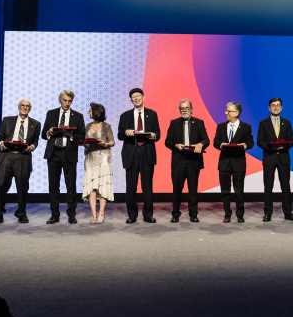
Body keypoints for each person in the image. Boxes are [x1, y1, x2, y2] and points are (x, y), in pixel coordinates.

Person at [0, 99, 41, 225]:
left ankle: (21, 213)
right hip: (7, 155)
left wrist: (32, 147)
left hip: (23, 156)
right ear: (18, 107)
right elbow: (0, 137)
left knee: (22, 186)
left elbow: (35, 141)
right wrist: (2, 144)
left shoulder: (36, 123)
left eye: (27, 106)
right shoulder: (7, 120)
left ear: (30, 108)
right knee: (1, 184)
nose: (25, 108)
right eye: (23, 105)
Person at [42, 90, 86, 224]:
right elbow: (43, 134)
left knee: (70, 186)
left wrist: (71, 135)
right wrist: (49, 132)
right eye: (65, 100)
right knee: (53, 186)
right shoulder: (51, 113)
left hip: (69, 153)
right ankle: (54, 214)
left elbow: (82, 136)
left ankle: (71, 214)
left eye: (69, 101)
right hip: (53, 153)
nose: (67, 104)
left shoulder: (78, 116)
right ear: (60, 100)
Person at [117, 88, 160, 223]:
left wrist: (154, 135)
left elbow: (158, 133)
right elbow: (119, 135)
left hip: (147, 152)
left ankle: (148, 214)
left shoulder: (152, 114)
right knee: (131, 187)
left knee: (147, 186)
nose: (136, 98)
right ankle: (132, 214)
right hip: (131, 152)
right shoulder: (125, 116)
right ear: (131, 100)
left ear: (143, 97)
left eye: (138, 96)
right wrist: (127, 132)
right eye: (133, 97)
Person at [164, 99, 210, 222]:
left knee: (193, 190)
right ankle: (175, 214)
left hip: (193, 161)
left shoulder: (199, 123)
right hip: (179, 160)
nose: (184, 110)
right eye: (182, 108)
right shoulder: (174, 123)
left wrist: (201, 144)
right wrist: (175, 145)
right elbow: (167, 141)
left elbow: (206, 140)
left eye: (186, 108)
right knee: (177, 190)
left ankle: (193, 214)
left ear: (191, 109)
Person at [256, 97, 293, 221]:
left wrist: (284, 146)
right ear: (269, 108)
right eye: (273, 105)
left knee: (286, 186)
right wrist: (271, 148)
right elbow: (259, 141)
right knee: (268, 187)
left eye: (278, 105)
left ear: (282, 107)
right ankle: (268, 213)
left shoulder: (287, 122)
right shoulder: (263, 122)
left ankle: (288, 212)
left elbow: (292, 139)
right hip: (269, 157)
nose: (276, 107)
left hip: (284, 158)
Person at [213, 102, 254, 223]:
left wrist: (245, 145)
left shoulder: (246, 127)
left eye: (228, 111)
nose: (226, 113)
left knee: (239, 191)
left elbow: (251, 142)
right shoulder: (221, 126)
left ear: (236, 113)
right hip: (224, 162)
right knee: (225, 191)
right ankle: (227, 214)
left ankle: (240, 214)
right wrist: (220, 144)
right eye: (226, 111)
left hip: (238, 162)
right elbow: (215, 141)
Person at [83, 103, 115, 223]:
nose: (88, 112)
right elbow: (86, 142)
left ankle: (101, 213)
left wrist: (105, 144)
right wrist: (82, 142)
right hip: (90, 158)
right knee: (91, 187)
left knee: (102, 186)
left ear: (96, 112)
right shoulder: (87, 126)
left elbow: (112, 141)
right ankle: (93, 214)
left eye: (90, 110)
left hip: (103, 159)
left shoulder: (106, 126)